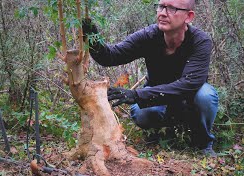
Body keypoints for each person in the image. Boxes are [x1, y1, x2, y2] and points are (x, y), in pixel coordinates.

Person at [82, 0, 219, 156]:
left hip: (189, 98)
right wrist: (92, 38)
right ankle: (160, 134)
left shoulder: (200, 41)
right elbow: (111, 57)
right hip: (156, 97)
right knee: (142, 113)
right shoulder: (149, 36)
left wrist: (136, 95)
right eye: (161, 6)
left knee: (205, 96)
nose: (162, 13)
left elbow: (189, 84)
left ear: (189, 16)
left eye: (172, 8)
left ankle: (202, 142)